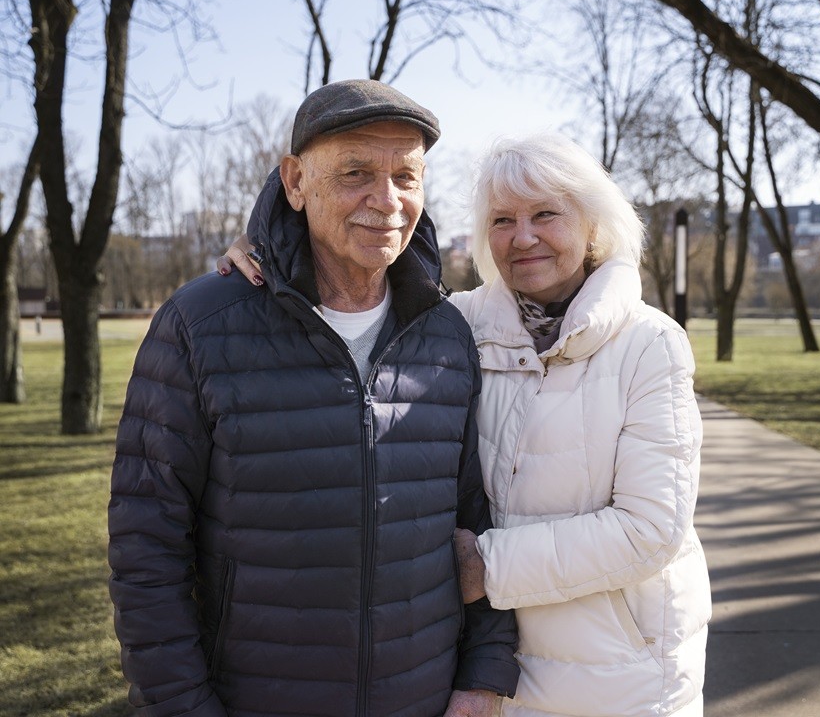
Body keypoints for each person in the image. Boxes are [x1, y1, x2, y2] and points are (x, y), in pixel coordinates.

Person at [221, 133, 711, 716]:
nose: (522, 237)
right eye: (503, 219)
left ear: (593, 224)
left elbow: (650, 530)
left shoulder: (650, 344)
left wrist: (486, 565)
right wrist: (269, 247)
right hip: (489, 675)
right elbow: (344, 275)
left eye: (546, 214)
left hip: (618, 676)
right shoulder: (456, 325)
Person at [108, 79, 520, 717]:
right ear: (295, 181)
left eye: (406, 176)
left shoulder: (447, 334)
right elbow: (145, 550)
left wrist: (484, 677)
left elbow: (477, 522)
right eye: (356, 171)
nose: (386, 200)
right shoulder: (200, 325)